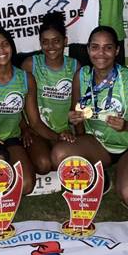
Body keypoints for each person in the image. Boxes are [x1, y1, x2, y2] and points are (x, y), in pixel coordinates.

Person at [51, 26, 128, 208]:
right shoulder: (81, 76)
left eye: (108, 47)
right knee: (60, 153)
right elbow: (77, 113)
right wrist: (75, 121)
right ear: (88, 49)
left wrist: (126, 126)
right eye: (95, 47)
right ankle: (99, 175)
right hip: (99, 143)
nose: (101, 53)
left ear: (117, 50)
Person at [0, 27, 73, 195]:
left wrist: (57, 137)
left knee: (26, 185)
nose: (1, 50)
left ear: (12, 47)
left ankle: (11, 168)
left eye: (5, 44)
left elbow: (35, 122)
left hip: (11, 138)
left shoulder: (25, 78)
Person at [20, 12, 80, 174]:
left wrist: (76, 132)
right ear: (40, 43)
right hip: (36, 129)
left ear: (65, 41)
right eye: (45, 42)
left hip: (63, 131)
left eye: (56, 41)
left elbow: (77, 107)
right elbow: (18, 103)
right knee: (44, 165)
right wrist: (24, 127)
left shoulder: (75, 67)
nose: (51, 46)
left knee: (61, 162)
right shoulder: (30, 65)